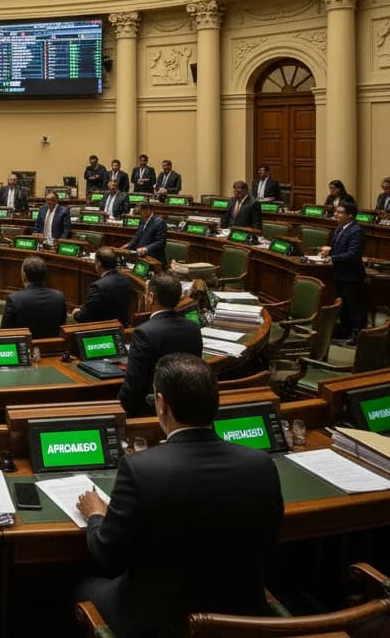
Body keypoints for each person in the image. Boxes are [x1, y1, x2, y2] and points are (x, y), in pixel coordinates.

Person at [76, 353, 283, 638]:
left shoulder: (140, 470)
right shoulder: (261, 465)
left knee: (80, 585)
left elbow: (107, 557)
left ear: (161, 403)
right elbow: (271, 547)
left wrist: (96, 515)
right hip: (240, 618)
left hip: (158, 624)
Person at [117, 273, 201, 416]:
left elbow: (133, 384)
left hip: (153, 409)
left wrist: (116, 409)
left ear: (151, 297)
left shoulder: (144, 333)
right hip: (187, 407)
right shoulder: (193, 328)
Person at [320, 200, 367, 344]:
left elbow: (353, 254)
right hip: (340, 273)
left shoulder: (356, 231)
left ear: (350, 215)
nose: (336, 214)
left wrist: (332, 258)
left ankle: (358, 335)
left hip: (352, 275)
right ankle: (345, 330)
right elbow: (339, 248)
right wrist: (330, 250)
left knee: (354, 307)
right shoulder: (340, 228)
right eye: (336, 211)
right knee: (343, 305)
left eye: (340, 212)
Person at [0, 255, 66, 338]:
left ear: (24, 275)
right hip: (52, 345)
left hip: (25, 346)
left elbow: (4, 333)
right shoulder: (59, 297)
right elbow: (62, 328)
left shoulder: (14, 299)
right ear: (45, 275)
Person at [75, 247, 133, 325]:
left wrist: (76, 313)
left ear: (99, 264)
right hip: (121, 327)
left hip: (102, 329)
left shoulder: (98, 286)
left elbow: (84, 317)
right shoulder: (126, 280)